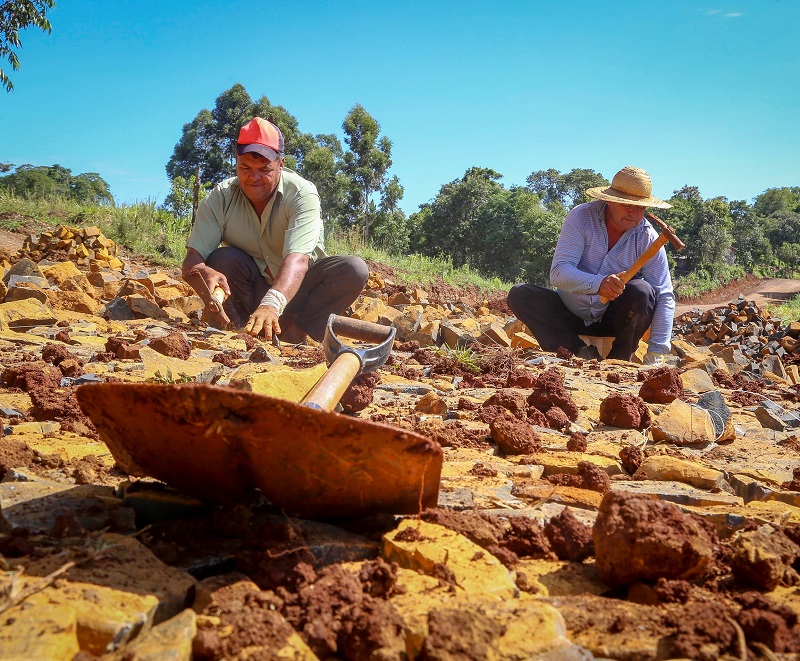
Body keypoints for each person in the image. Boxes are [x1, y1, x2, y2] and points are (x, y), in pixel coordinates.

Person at [182, 117, 369, 343]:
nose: (254, 177)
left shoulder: (301, 194)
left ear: (281, 164)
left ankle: (297, 328)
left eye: (264, 169)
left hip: (298, 294)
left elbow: (298, 260)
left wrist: (272, 305)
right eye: (245, 168)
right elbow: (192, 260)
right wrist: (203, 272)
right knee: (222, 258)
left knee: (353, 269)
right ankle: (241, 328)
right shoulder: (220, 198)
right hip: (251, 293)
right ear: (236, 161)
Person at [507, 165, 675, 365]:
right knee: (520, 294)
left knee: (642, 291)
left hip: (612, 320)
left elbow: (664, 294)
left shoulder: (648, 238)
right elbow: (559, 272)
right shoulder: (581, 218)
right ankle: (577, 352)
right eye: (626, 205)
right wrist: (599, 283)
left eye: (640, 207)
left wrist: (655, 354)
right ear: (610, 200)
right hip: (568, 315)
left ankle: (619, 362)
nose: (633, 213)